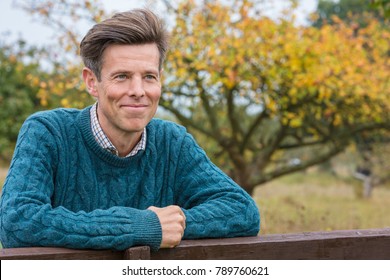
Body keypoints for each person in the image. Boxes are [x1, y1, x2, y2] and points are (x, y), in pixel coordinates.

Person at [0, 8, 260, 251]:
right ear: (92, 82)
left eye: (149, 76)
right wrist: (141, 227)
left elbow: (242, 211)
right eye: (122, 76)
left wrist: (173, 224)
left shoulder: (173, 142)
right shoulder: (47, 132)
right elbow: (16, 222)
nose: (138, 91)